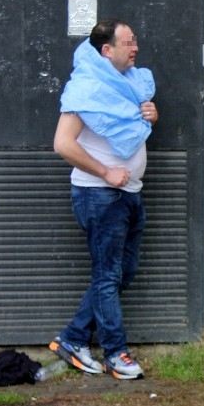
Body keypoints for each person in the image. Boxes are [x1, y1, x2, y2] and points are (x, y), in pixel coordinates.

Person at [48, 19, 159, 380]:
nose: (135, 47)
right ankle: (116, 353)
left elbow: (127, 127)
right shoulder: (87, 87)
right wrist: (105, 172)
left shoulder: (130, 84)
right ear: (106, 50)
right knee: (108, 275)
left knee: (120, 273)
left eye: (135, 40)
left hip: (129, 194)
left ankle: (73, 338)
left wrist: (150, 116)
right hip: (100, 195)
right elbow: (63, 144)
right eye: (127, 42)